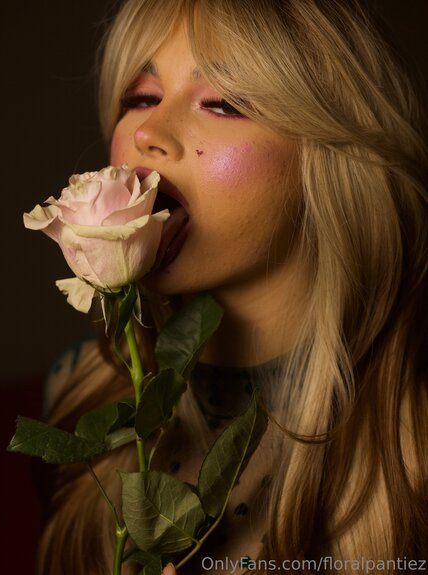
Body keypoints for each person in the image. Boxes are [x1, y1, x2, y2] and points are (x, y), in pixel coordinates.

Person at [36, 0, 428, 573]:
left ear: (328, 159)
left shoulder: (412, 442)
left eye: (222, 103)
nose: (147, 132)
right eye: (141, 97)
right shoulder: (79, 395)